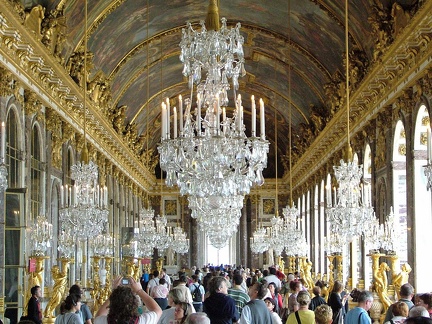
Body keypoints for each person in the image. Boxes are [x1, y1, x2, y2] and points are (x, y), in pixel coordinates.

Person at [94, 276, 162, 324]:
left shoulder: (104, 321)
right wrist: (139, 290)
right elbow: (157, 310)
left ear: (112, 304)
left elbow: (99, 314)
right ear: (134, 304)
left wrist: (115, 292)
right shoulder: (143, 321)